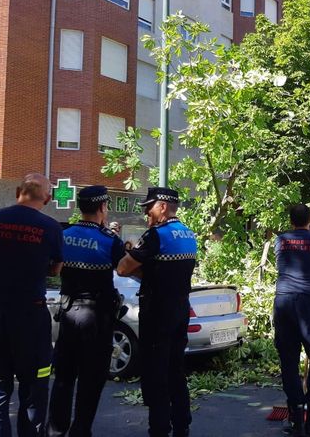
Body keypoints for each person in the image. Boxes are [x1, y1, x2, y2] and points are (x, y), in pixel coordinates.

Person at [0, 173, 64, 436]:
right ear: (46, 199)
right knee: (34, 392)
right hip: (30, 317)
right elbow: (56, 269)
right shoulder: (51, 227)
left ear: (17, 191)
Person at [117, 187, 196, 437]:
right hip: (180, 309)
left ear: (162, 206)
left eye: (148, 208)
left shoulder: (155, 235)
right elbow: (160, 271)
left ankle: (159, 429)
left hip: (157, 312)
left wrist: (127, 251)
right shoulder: (188, 234)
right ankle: (182, 425)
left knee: (156, 372)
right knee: (176, 369)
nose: (145, 214)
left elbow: (122, 269)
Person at [48, 186, 125, 436]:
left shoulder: (64, 234)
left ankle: (56, 429)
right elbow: (124, 269)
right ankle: (80, 430)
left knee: (64, 376)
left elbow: (53, 269)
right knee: (91, 379)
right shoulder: (110, 240)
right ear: (102, 207)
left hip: (68, 313)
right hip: (97, 317)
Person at [273, 204, 310, 436]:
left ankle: (296, 419)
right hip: (308, 302)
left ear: (291, 221)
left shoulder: (281, 240)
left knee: (288, 361)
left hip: (284, 302)